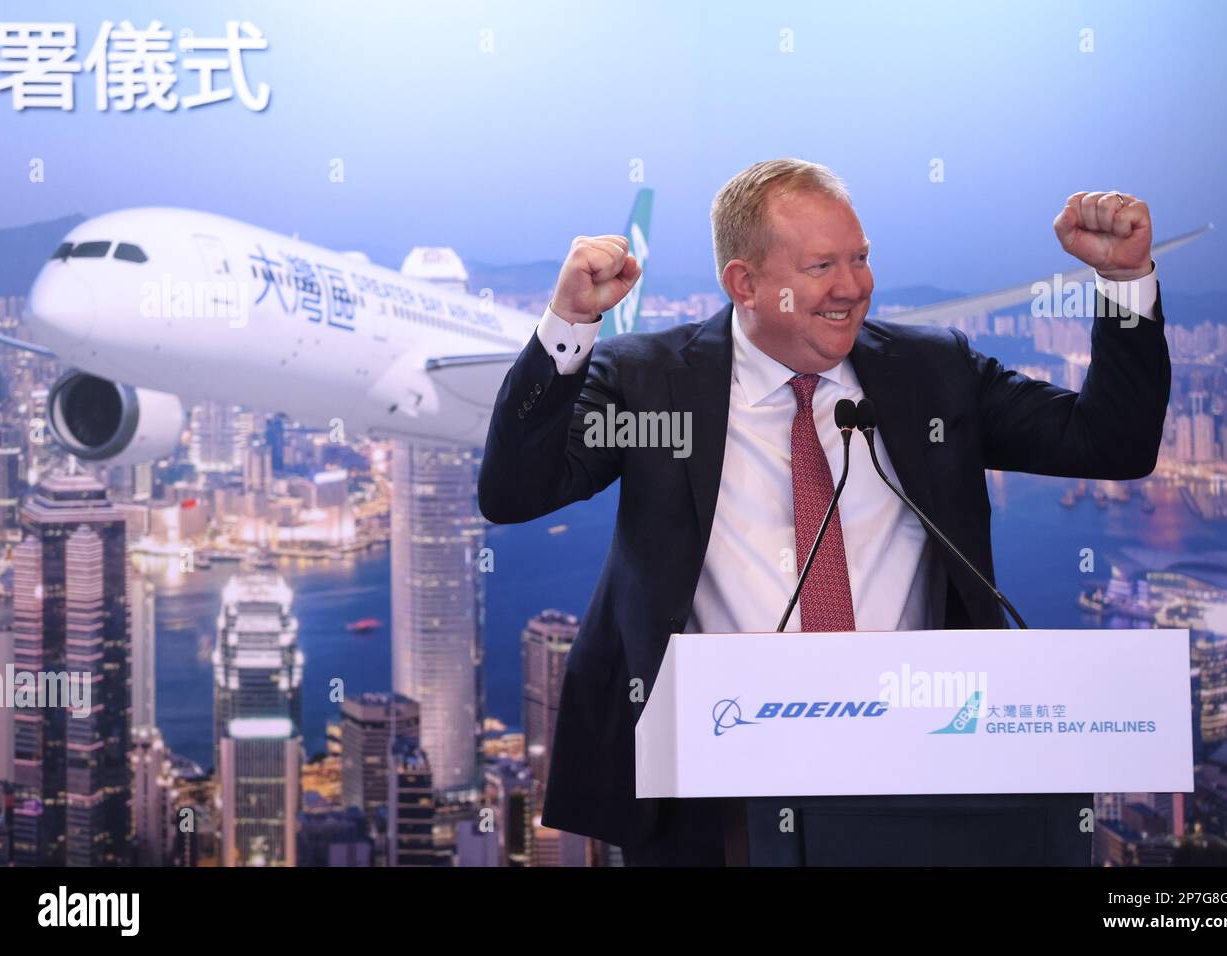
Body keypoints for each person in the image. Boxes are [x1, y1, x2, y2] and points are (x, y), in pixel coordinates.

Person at [478, 159, 1171, 866]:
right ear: (745, 284)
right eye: (821, 266)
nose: (853, 286)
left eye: (861, 258)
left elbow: (1110, 442)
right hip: (705, 798)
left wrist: (1122, 284)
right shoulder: (647, 380)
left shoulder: (933, 372)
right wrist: (569, 323)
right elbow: (515, 492)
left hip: (915, 777)